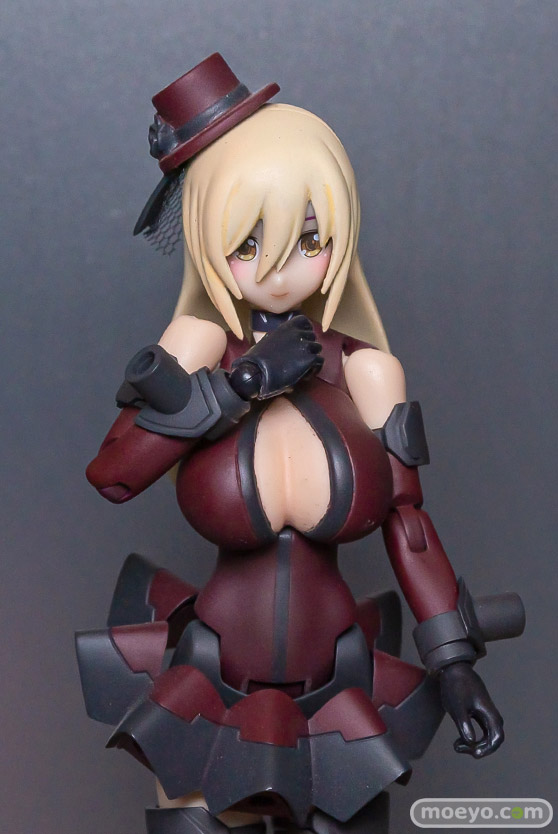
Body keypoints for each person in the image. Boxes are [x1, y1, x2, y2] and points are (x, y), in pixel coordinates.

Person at [77, 54, 523, 834]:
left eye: (308, 239)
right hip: (213, 675)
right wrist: (241, 385)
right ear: (209, 240)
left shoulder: (369, 372)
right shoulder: (196, 353)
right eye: (248, 244)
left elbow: (411, 527)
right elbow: (114, 474)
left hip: (339, 680)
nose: (281, 272)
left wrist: (453, 663)